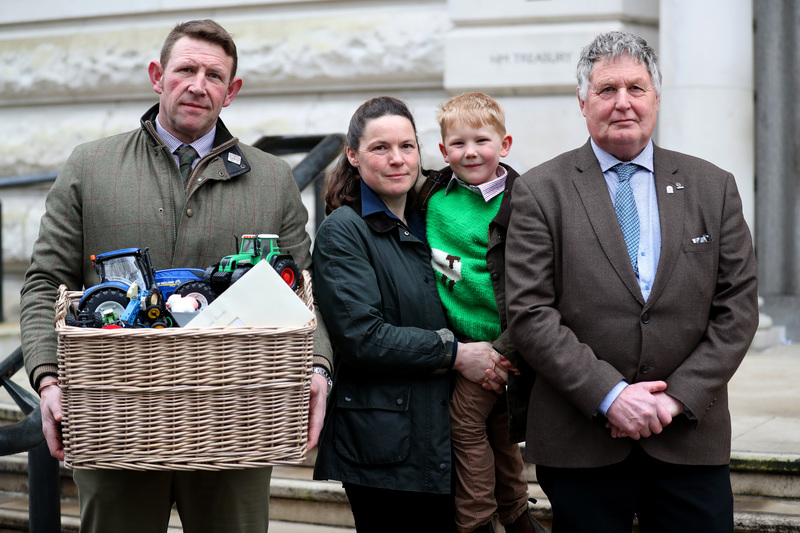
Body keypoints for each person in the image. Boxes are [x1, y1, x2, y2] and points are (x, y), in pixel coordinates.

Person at [19, 19, 332, 533]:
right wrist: (48, 379)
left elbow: (305, 291)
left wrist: (317, 368)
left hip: (236, 425)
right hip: (115, 422)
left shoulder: (272, 179)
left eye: (214, 75)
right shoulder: (89, 166)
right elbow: (43, 282)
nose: (197, 84)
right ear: (157, 76)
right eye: (186, 69)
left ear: (230, 92)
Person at [505, 31, 759, 532]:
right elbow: (530, 313)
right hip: (582, 440)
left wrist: (675, 397)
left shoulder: (714, 187)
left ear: (657, 99)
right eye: (606, 90)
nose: (623, 102)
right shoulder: (540, 191)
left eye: (636, 88)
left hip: (689, 437)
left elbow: (738, 308)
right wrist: (610, 395)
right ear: (583, 102)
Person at [311, 96, 509, 533]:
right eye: (380, 148)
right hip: (382, 447)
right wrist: (457, 353)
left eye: (407, 146)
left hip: (441, 434)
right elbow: (363, 338)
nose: (397, 159)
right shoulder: (345, 230)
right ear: (352, 155)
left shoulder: (433, 218)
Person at [418, 92, 545, 533]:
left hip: (506, 339)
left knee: (465, 422)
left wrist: (506, 350)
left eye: (482, 141)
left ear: (504, 145)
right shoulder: (433, 195)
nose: (470, 152)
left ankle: (475, 521)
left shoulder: (522, 199)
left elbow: (539, 280)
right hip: (459, 339)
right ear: (442, 151)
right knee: (497, 428)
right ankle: (517, 516)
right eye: (458, 143)